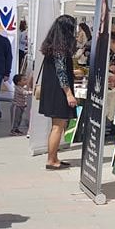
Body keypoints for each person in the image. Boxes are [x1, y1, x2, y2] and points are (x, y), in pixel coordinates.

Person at [38, 15, 78, 170]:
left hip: (51, 89)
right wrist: (69, 94)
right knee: (58, 126)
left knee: (56, 125)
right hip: (58, 91)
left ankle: (54, 157)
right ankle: (51, 160)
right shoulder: (60, 49)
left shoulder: (52, 45)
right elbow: (61, 73)